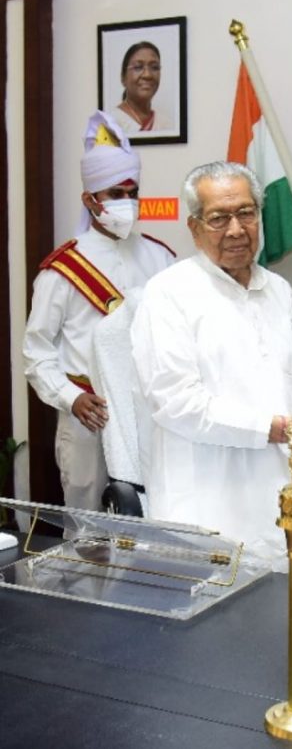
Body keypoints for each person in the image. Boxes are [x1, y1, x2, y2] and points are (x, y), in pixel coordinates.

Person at [131, 161, 292, 574]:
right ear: (194, 228)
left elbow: (290, 384)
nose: (236, 230)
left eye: (246, 213)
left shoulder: (278, 291)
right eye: (219, 218)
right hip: (210, 510)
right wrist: (287, 429)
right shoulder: (168, 294)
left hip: (286, 499)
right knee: (221, 634)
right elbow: (178, 404)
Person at [23, 110, 176, 511]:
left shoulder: (161, 257)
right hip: (90, 417)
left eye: (132, 192)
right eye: (115, 194)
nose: (127, 202)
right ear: (90, 199)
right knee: (90, 532)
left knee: (152, 521)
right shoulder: (62, 270)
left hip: (147, 413)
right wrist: (71, 398)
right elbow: (36, 353)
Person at [113, 41, 173, 134]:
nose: (147, 75)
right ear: (123, 77)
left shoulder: (167, 125)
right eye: (138, 67)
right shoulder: (110, 123)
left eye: (154, 67)